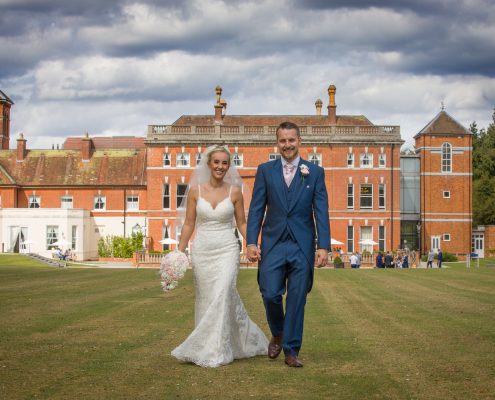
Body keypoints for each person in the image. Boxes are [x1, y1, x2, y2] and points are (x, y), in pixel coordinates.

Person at [171, 145, 268, 368]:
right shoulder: (195, 190)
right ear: (208, 164)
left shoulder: (235, 191)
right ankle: (210, 345)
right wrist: (180, 250)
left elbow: (242, 222)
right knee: (207, 298)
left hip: (227, 248)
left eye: (225, 163)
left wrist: (252, 244)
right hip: (203, 250)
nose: (221, 167)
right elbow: (188, 223)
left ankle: (218, 350)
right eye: (217, 162)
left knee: (223, 293)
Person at [246, 121, 330, 368]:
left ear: (299, 141)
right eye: (283, 141)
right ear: (277, 143)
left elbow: (321, 211)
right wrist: (252, 241)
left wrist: (323, 246)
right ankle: (279, 332)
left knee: (297, 298)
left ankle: (292, 350)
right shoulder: (265, 170)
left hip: (302, 245)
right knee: (270, 293)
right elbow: (256, 208)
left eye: (291, 140)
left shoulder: (314, 172)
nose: (287, 145)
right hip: (272, 243)